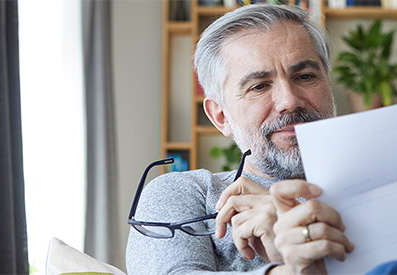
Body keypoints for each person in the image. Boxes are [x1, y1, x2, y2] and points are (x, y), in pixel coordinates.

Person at [126, 4, 354, 274]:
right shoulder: (185, 194)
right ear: (220, 116)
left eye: (305, 76)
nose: (289, 101)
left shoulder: (381, 183)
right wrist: (290, 270)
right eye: (258, 86)